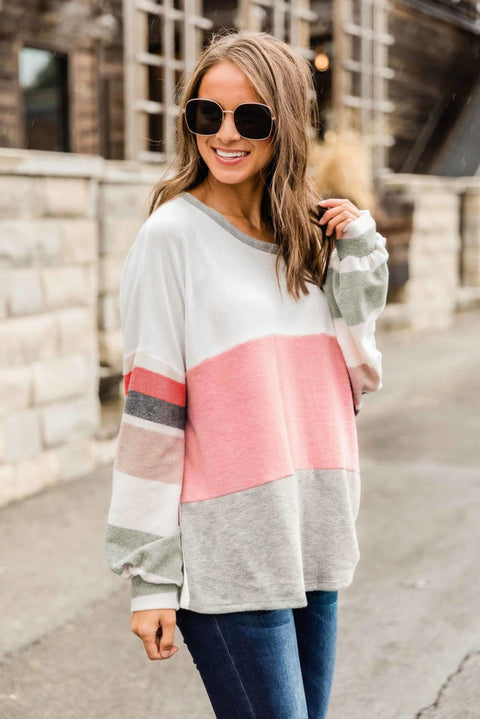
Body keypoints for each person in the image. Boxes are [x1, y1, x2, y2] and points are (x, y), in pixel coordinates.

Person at [104, 30, 389, 719]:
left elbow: (358, 374)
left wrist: (359, 248)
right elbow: (151, 416)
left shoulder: (307, 238)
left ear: (284, 125)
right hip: (231, 551)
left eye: (251, 117)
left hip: (313, 534)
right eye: (207, 113)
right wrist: (150, 581)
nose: (225, 134)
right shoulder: (171, 237)